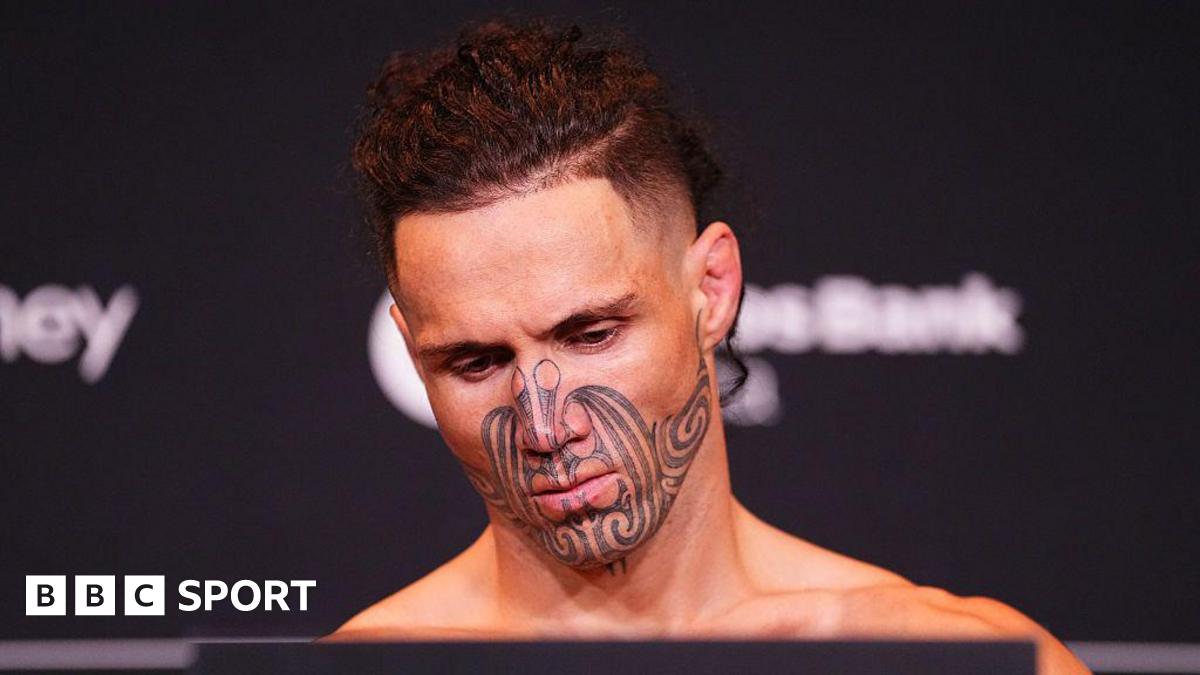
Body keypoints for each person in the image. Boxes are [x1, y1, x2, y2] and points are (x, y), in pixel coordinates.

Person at [322, 17, 1090, 675]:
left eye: (592, 334)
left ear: (713, 288)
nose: (546, 427)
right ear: (411, 349)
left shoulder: (947, 661)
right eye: (476, 362)